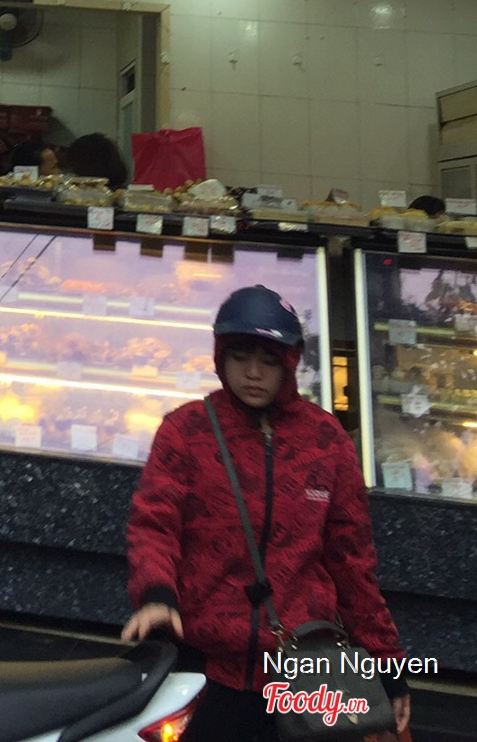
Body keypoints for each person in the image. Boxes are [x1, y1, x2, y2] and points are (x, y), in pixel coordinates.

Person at [123, 284, 407, 741]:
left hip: (303, 670)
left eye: (269, 361)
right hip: (205, 666)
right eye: (239, 358)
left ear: (290, 364)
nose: (253, 373)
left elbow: (353, 563)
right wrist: (157, 595)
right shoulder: (186, 431)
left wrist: (387, 663)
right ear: (221, 359)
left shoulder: (327, 441)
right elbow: (155, 524)